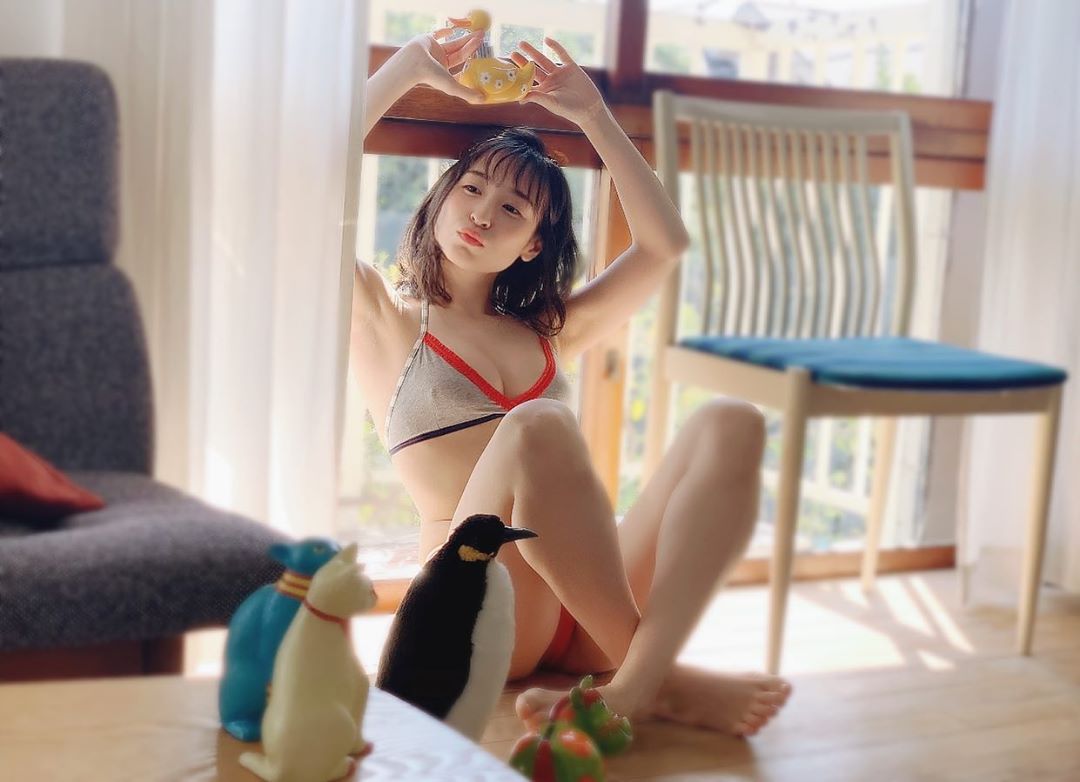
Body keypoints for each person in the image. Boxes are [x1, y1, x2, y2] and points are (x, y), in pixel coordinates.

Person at [353, 26, 791, 737]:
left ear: (532, 244)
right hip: (480, 604)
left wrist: (592, 114)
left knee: (732, 421)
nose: (483, 213)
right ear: (439, 200)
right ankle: (663, 682)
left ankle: (636, 682)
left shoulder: (549, 331)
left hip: (585, 610)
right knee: (540, 422)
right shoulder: (385, 316)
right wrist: (406, 68)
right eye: (471, 189)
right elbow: (302, 183)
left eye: (513, 209)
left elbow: (665, 246)